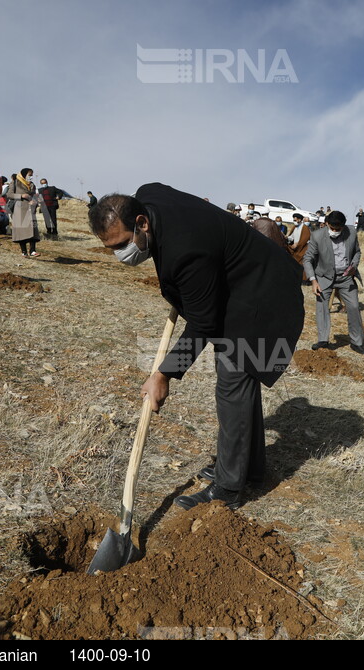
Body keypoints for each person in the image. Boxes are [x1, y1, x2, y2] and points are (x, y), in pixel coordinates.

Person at [90, 185, 304, 510]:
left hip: (264, 295)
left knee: (233, 384)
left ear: (142, 223)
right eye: (110, 247)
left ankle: (228, 488)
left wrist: (164, 374)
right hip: (237, 283)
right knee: (239, 389)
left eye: (121, 244)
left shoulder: (186, 251)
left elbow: (204, 324)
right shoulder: (149, 194)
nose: (119, 254)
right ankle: (250, 469)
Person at [302, 210, 364, 355]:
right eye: (332, 228)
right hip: (324, 277)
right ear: (327, 224)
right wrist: (313, 280)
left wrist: (354, 266)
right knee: (322, 308)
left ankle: (357, 342)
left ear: (343, 226)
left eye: (338, 229)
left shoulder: (351, 232)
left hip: (346, 277)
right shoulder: (317, 236)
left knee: (354, 307)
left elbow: (357, 252)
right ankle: (323, 340)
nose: (335, 231)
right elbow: (307, 259)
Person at [10, 168, 40, 257]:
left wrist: (34, 201)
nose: (31, 177)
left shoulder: (32, 185)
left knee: (33, 229)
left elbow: (34, 195)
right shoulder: (15, 183)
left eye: (32, 175)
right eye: (29, 175)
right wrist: (21, 196)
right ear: (24, 174)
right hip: (20, 208)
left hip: (30, 208)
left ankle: (33, 250)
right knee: (21, 231)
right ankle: (24, 251)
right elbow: (9, 194)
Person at [287, 213, 312, 283]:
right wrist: (287, 238)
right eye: (293, 220)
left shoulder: (305, 228)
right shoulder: (294, 227)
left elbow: (305, 239)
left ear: (300, 220)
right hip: (296, 249)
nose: (294, 221)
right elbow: (291, 237)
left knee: (304, 265)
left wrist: (297, 244)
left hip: (303, 249)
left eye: (295, 220)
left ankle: (305, 280)